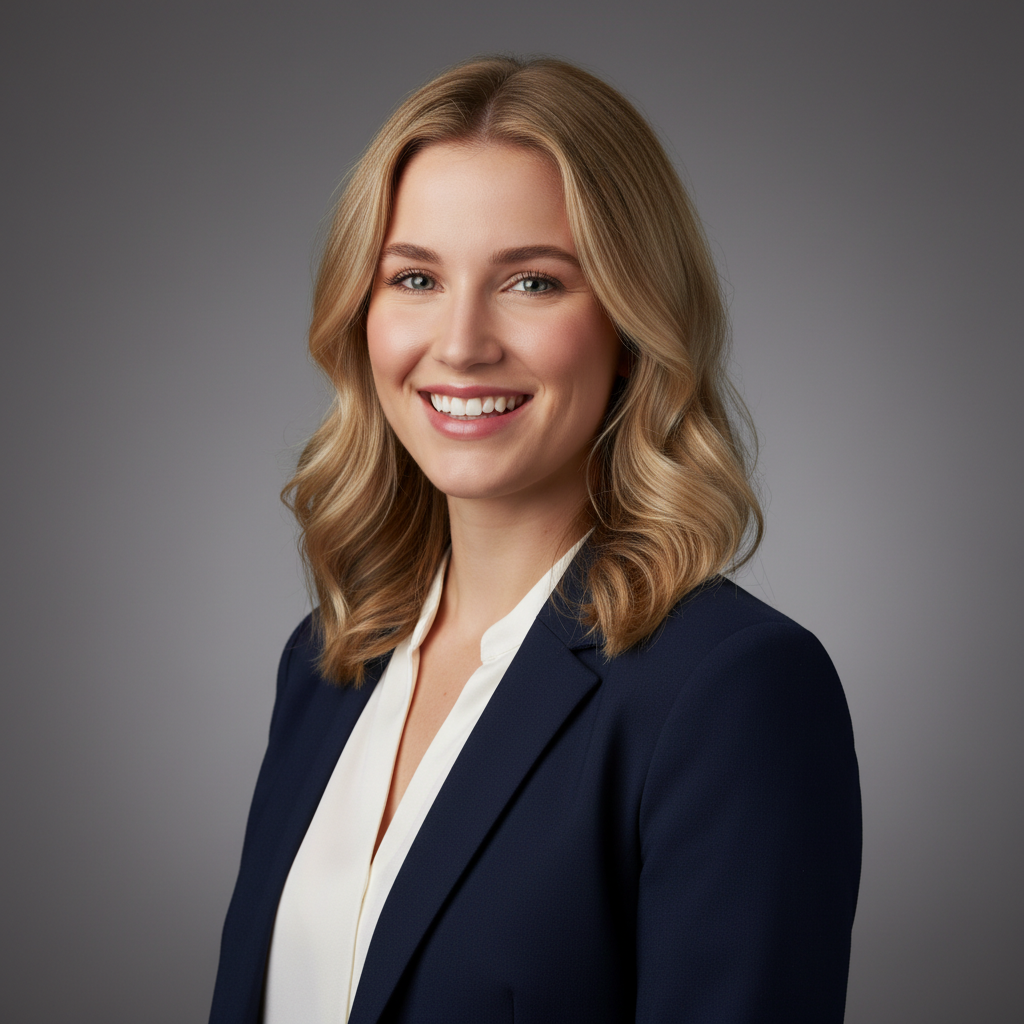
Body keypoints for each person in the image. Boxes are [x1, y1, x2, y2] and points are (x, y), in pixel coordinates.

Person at [209, 55, 861, 1024]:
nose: (463, 341)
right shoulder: (325, 663)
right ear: (362, 314)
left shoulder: (732, 689)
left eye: (531, 281)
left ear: (633, 324)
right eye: (416, 276)